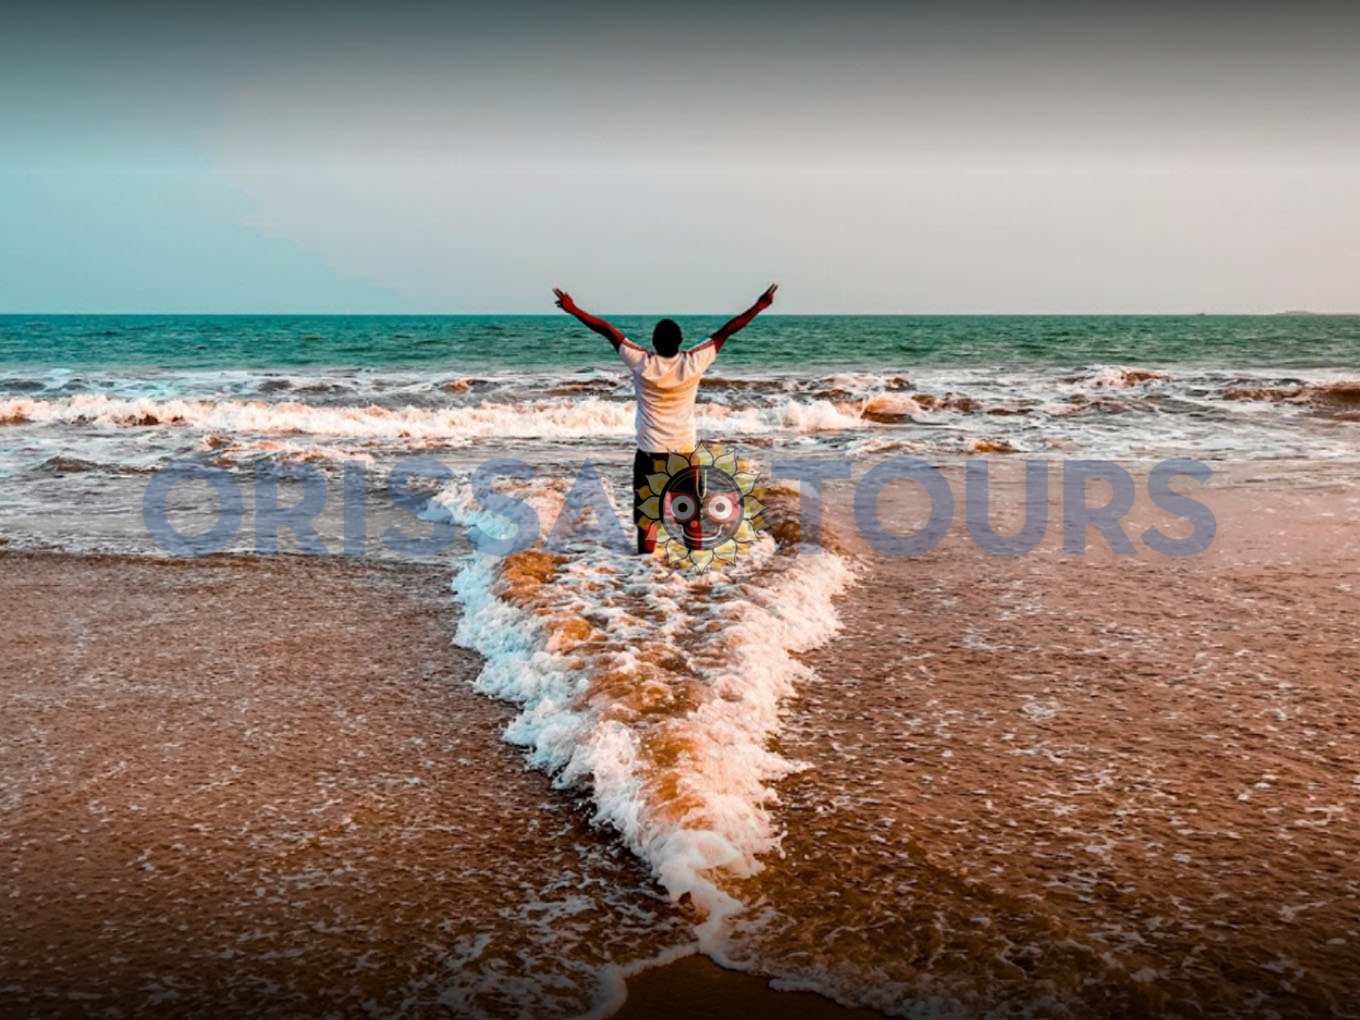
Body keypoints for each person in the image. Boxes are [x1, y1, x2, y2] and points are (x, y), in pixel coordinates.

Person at [552, 284, 778, 553]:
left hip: (650, 453)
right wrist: (760, 306)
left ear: (654, 342)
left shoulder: (642, 363)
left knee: (648, 519)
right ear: (680, 341)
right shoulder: (693, 362)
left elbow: (606, 330)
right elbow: (727, 330)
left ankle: (645, 569)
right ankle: (694, 572)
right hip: (683, 453)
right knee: (691, 518)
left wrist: (573, 309)